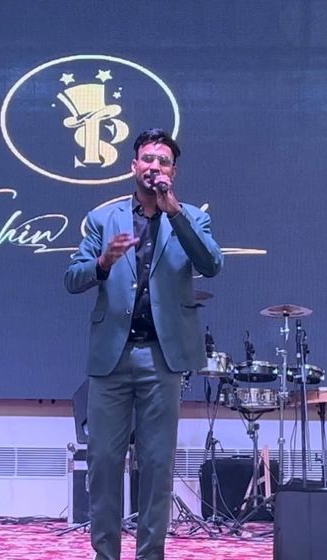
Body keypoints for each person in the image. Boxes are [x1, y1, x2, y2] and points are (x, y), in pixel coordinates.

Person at [64, 128, 223, 560]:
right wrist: (102, 262)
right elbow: (72, 278)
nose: (154, 166)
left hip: (161, 358)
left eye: (163, 161)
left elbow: (211, 263)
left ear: (173, 171)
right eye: (147, 159)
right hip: (111, 359)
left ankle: (150, 554)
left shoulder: (191, 217)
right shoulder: (104, 219)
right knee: (103, 463)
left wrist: (175, 213)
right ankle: (106, 554)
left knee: (156, 465)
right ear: (134, 165)